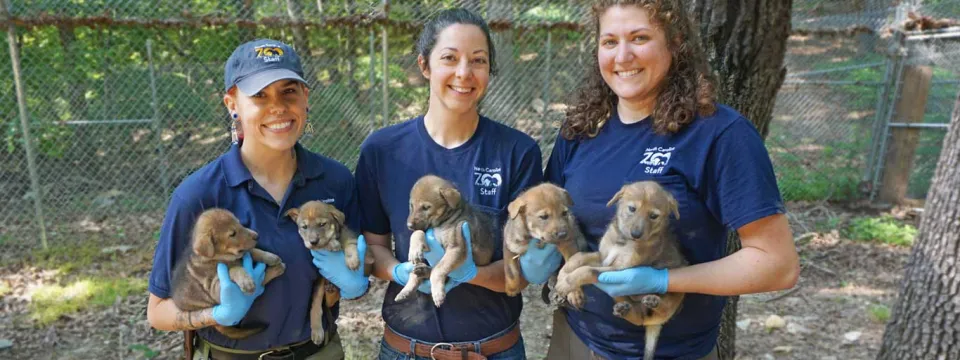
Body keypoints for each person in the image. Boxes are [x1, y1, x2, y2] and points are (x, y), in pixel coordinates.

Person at [540, 1, 801, 359]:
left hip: (667, 350)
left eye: (640, 37)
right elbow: (555, 223)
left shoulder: (718, 135)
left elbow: (777, 264)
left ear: (675, 43)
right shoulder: (580, 130)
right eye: (610, 41)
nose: (623, 55)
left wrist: (664, 280)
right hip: (574, 339)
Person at [146, 39, 370, 360]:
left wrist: (345, 285)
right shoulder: (199, 195)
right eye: (259, 95)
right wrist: (218, 314)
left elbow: (339, 284)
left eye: (289, 91)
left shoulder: (335, 181)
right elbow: (158, 312)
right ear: (232, 103)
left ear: (305, 98)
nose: (278, 106)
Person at [354, 8, 554, 360]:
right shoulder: (382, 151)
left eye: (478, 60)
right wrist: (404, 271)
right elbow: (374, 250)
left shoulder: (517, 152)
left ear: (490, 69)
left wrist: (468, 272)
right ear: (425, 65)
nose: (464, 72)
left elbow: (520, 272)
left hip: (493, 349)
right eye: (450, 58)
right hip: (406, 348)